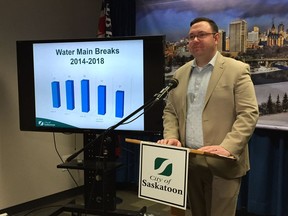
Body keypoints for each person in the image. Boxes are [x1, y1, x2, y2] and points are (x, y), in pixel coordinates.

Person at [157, 17, 259, 216]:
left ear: (216, 38)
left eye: (201, 35)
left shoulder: (236, 70)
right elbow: (170, 111)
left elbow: (248, 114)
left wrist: (227, 148)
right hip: (190, 161)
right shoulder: (180, 73)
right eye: (191, 36)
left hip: (222, 162)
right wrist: (172, 136)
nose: (195, 40)